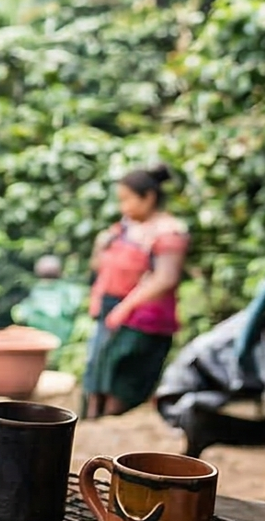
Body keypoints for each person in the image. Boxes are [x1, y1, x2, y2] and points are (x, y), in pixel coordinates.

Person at [83, 164, 189, 420]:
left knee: (123, 379)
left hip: (143, 319)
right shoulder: (124, 227)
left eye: (127, 199)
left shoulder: (169, 231)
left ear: (149, 197)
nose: (123, 207)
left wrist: (125, 307)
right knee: (97, 372)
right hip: (111, 309)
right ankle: (92, 421)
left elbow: (165, 278)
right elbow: (100, 267)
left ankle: (109, 426)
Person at [11, 255, 86, 350]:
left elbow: (20, 315)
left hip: (39, 345)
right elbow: (76, 306)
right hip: (65, 344)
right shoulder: (71, 290)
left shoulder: (35, 292)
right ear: (60, 272)